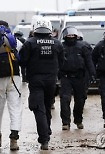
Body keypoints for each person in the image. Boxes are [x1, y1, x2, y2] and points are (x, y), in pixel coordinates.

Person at [19, 17, 63, 150]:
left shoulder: (29, 43)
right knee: (47, 106)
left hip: (36, 81)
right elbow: (62, 62)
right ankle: (47, 132)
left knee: (39, 109)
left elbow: (22, 61)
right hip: (51, 81)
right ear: (50, 28)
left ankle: (44, 139)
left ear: (34, 28)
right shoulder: (57, 43)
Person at [59, 26, 96, 130]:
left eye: (72, 35)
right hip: (66, 77)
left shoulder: (83, 46)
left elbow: (89, 61)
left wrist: (93, 74)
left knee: (80, 100)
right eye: (68, 35)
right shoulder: (61, 47)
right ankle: (65, 122)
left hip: (80, 77)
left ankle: (78, 120)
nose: (70, 37)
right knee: (65, 99)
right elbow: (56, 62)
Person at [0, 20, 23, 150]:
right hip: (14, 78)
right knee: (15, 107)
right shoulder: (14, 40)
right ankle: (14, 139)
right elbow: (22, 57)